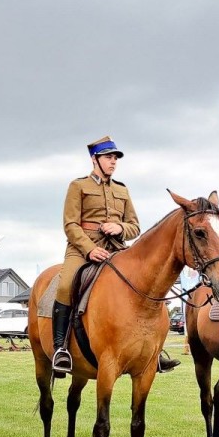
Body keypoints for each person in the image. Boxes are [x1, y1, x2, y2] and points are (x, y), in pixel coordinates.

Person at [51, 136, 179, 376]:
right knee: (65, 285)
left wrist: (120, 227)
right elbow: (70, 225)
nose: (113, 162)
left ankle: (153, 351)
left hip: (116, 248)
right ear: (95, 159)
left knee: (146, 283)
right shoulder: (78, 186)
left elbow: (135, 226)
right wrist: (90, 249)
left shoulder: (122, 189)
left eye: (115, 158)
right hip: (82, 249)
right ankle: (60, 349)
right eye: (108, 157)